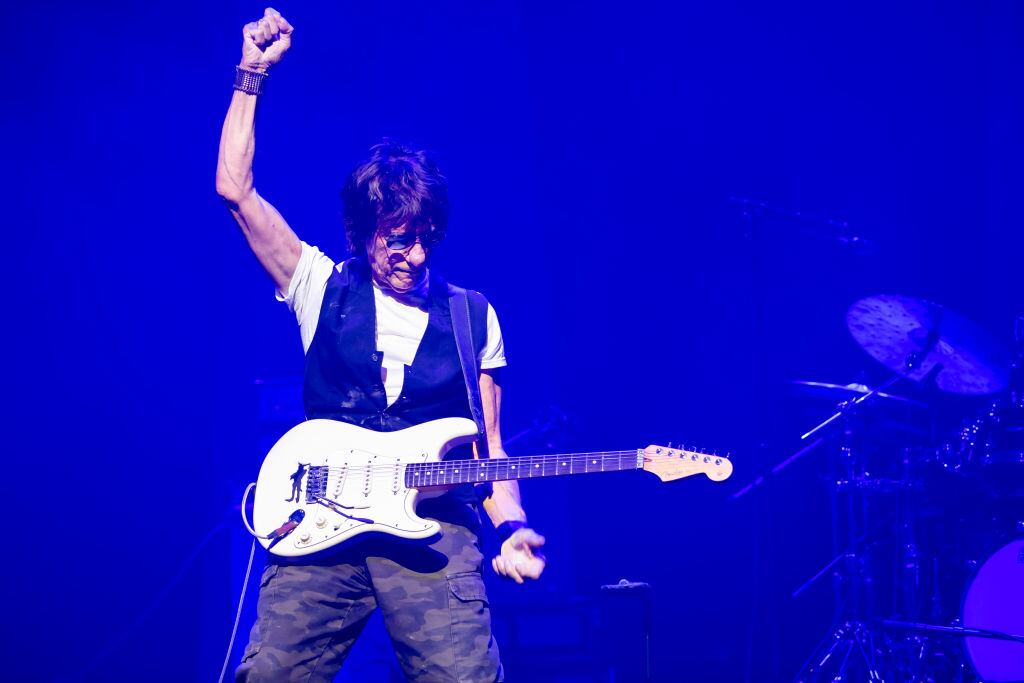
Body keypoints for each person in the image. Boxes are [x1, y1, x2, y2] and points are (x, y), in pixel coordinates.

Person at [216, 7, 546, 682]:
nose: (414, 253)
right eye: (398, 238)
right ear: (364, 233)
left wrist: (512, 527)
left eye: (426, 236)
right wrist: (251, 73)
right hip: (320, 528)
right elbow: (235, 190)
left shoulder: (473, 317)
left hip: (432, 530)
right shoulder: (319, 286)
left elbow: (491, 451)